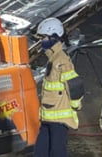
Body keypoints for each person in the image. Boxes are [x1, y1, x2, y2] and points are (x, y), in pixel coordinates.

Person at [35, 17, 84, 157]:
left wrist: (75, 106)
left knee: (57, 152)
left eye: (44, 37)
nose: (41, 41)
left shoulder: (61, 60)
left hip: (59, 120)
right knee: (40, 152)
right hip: (47, 117)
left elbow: (75, 85)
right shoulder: (53, 58)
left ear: (54, 36)